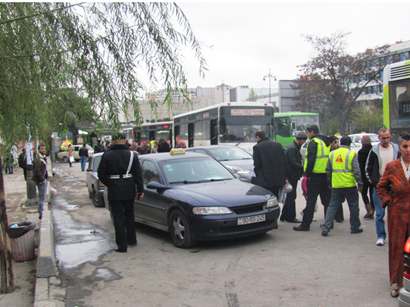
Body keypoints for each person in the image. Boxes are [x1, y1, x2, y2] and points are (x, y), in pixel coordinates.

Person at [98, 133, 144, 253]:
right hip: (129, 188)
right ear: (124, 141)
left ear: (113, 141)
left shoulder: (107, 156)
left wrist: (111, 183)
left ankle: (122, 246)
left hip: (114, 190)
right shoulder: (132, 155)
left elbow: (101, 174)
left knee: (118, 217)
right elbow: (138, 174)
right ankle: (132, 240)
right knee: (129, 214)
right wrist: (140, 190)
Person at [377, 131, 410, 298]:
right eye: (405, 146)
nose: (408, 150)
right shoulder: (392, 166)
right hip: (397, 213)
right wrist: (388, 200)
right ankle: (399, 283)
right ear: (400, 148)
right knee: (398, 249)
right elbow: (381, 187)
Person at [321, 136, 363, 236]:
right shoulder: (352, 153)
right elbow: (356, 170)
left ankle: (326, 227)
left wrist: (329, 182)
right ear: (349, 144)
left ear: (340, 143)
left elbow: (328, 170)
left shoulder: (332, 154)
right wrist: (360, 183)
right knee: (353, 206)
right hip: (349, 185)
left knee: (332, 206)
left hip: (336, 185)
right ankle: (354, 227)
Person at [365, 128, 399, 246]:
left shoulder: (396, 149)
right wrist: (375, 183)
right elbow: (368, 169)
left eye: (388, 137)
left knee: (395, 214)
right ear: (379, 138)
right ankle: (381, 236)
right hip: (380, 186)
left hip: (395, 185)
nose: (386, 140)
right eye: (383, 138)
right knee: (380, 214)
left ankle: (395, 237)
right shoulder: (374, 151)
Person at [294, 125, 331, 231]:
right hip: (325, 174)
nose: (308, 135)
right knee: (326, 201)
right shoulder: (326, 142)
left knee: (311, 201)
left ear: (313, 132)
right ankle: (329, 223)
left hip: (314, 175)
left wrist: (308, 174)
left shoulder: (314, 142)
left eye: (308, 133)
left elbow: (311, 160)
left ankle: (305, 224)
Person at [280, 131, 307, 223]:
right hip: (291, 175)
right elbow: (293, 163)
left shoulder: (294, 147)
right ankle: (291, 217)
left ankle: (284, 215)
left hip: (292, 175)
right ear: (302, 140)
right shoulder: (293, 148)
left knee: (290, 196)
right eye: (304, 141)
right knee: (292, 196)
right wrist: (304, 168)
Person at [252, 129, 288, 198]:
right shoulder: (278, 145)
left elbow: (257, 164)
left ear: (257, 137)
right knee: (275, 198)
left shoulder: (257, 147)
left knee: (267, 200)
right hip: (278, 179)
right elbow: (284, 161)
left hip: (265, 180)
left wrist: (259, 177)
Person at [328, 135, 344, 223]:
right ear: (330, 144)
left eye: (338, 142)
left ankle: (339, 216)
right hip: (333, 178)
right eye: (335, 142)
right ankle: (336, 216)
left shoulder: (338, 152)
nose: (337, 144)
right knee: (334, 198)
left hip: (339, 178)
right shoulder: (330, 153)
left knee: (336, 198)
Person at [358, 135, 374, 219]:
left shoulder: (361, 152)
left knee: (364, 193)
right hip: (372, 176)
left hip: (363, 176)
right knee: (372, 193)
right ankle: (373, 209)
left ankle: (369, 210)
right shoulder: (373, 151)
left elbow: (359, 165)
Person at [32, 145, 49, 219]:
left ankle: (41, 211)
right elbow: (36, 171)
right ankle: (41, 213)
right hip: (40, 181)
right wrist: (43, 179)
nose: (44, 150)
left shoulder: (43, 157)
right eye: (42, 149)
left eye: (44, 148)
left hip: (43, 180)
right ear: (39, 150)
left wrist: (47, 177)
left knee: (42, 197)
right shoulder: (38, 159)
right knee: (41, 198)